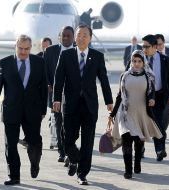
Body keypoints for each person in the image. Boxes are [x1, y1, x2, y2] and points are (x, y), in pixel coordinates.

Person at [53, 24, 113, 185]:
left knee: (88, 141)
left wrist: (109, 101)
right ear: (75, 37)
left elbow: (104, 80)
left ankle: (82, 174)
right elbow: (58, 79)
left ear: (90, 38)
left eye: (85, 35)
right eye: (79, 35)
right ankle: (73, 158)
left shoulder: (97, 56)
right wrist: (56, 99)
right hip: (70, 105)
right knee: (67, 139)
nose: (81, 38)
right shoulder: (66, 55)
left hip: (89, 106)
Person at [0, 34, 48, 185]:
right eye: (20, 48)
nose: (23, 52)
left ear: (31, 48)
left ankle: (34, 163)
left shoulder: (39, 62)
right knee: (10, 145)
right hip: (11, 110)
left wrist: (43, 109)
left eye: (26, 49)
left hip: (33, 111)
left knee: (34, 141)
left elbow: (43, 88)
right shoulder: (5, 63)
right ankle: (14, 176)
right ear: (15, 46)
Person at [110, 50, 162, 179]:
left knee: (138, 143)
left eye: (139, 61)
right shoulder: (125, 76)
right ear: (131, 61)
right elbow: (119, 95)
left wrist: (152, 99)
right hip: (125, 113)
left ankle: (137, 163)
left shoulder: (148, 76)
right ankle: (128, 170)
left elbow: (151, 92)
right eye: (134, 61)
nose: (136, 64)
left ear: (143, 62)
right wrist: (113, 113)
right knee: (126, 141)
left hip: (141, 113)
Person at [141, 34, 169, 161]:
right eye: (142, 46)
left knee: (158, 124)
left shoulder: (165, 60)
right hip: (141, 98)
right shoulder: (137, 59)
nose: (144, 49)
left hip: (159, 96)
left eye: (147, 46)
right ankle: (140, 149)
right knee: (141, 124)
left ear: (155, 47)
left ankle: (160, 149)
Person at [44, 26, 75, 163]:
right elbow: (44, 70)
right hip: (55, 94)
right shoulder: (50, 51)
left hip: (73, 95)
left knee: (70, 125)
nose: (66, 38)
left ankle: (69, 149)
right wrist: (48, 84)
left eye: (69, 36)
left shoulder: (78, 51)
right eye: (64, 35)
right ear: (59, 37)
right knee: (58, 122)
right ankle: (62, 152)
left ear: (73, 37)